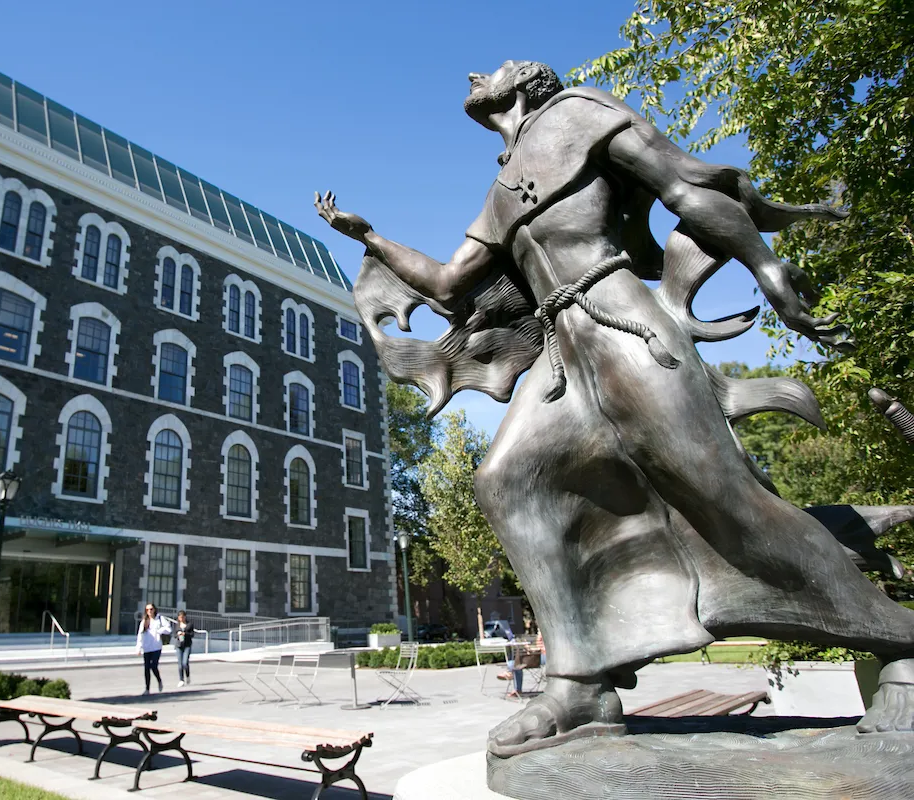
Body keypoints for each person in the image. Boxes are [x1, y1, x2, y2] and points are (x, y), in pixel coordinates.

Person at [315, 59, 914, 758]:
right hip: (562, 352)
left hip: (626, 325)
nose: (477, 72)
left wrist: (765, 264)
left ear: (528, 83)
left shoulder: (585, 116)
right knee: (507, 480)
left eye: (497, 68)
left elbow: (688, 194)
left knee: (725, 502)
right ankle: (578, 685)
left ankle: (900, 644)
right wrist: (369, 237)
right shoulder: (502, 191)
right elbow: (450, 285)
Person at [135, 603, 171, 696]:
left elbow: (169, 629)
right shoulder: (144, 621)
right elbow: (140, 634)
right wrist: (138, 647)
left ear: (154, 609)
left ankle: (159, 680)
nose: (149, 611)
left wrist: (160, 630)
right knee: (147, 668)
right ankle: (147, 688)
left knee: (153, 666)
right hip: (147, 647)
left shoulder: (160, 618)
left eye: (151, 609)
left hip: (156, 646)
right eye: (147, 610)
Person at [173, 610, 195, 687]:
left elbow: (192, 634)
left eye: (182, 617)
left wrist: (185, 634)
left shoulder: (189, 624)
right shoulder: (177, 625)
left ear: (185, 617)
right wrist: (178, 634)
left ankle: (187, 676)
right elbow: (174, 634)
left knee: (185, 663)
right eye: (180, 617)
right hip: (179, 645)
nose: (181, 618)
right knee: (180, 664)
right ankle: (181, 680)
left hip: (187, 645)